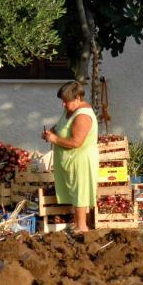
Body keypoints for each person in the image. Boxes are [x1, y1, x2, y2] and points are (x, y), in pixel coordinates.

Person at [42, 81, 98, 233]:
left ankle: (82, 227)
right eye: (62, 101)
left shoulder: (83, 116)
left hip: (80, 159)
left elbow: (76, 142)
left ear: (78, 98)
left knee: (80, 191)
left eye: (66, 101)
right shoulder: (70, 110)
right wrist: (50, 133)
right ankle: (76, 223)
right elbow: (60, 126)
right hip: (69, 159)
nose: (63, 104)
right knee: (74, 190)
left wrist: (55, 139)